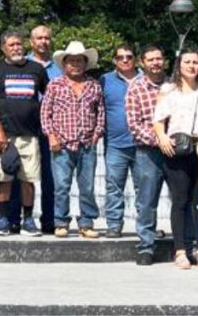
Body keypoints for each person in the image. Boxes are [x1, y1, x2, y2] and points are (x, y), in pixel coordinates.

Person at [152, 49, 198, 270]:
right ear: (179, 65)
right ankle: (180, 250)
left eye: (195, 62)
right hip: (177, 149)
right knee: (180, 201)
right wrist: (162, 137)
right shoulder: (170, 91)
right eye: (187, 62)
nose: (191, 66)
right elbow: (158, 120)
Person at [0, 30, 48, 237]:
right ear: (3, 48)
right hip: (3, 135)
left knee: (28, 179)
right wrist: (0, 133)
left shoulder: (36, 69)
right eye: (11, 45)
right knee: (3, 178)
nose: (16, 48)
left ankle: (28, 221)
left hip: (30, 135)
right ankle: (3, 221)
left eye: (19, 44)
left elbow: (47, 100)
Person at [41, 42, 104, 239]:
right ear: (64, 64)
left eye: (79, 61)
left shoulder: (94, 85)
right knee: (61, 186)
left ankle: (86, 222)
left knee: (87, 186)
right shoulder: (55, 85)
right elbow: (45, 113)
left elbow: (100, 112)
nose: (75, 64)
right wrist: (51, 135)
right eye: (71, 61)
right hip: (62, 143)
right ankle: (61, 222)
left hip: (86, 143)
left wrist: (96, 134)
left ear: (85, 63)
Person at [125, 45, 169, 265]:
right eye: (150, 59)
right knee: (147, 200)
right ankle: (146, 246)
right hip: (148, 151)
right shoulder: (136, 87)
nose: (155, 63)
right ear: (142, 62)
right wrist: (159, 140)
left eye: (159, 58)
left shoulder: (174, 85)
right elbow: (134, 124)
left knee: (181, 200)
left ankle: (184, 245)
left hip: (176, 151)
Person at [100, 44, 139, 239]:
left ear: (136, 59)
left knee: (145, 189)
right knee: (114, 187)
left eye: (129, 56)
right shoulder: (105, 80)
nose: (125, 60)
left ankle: (145, 226)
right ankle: (114, 225)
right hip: (115, 144)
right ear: (115, 60)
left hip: (143, 145)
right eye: (121, 57)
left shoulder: (146, 79)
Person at [24, 24, 59, 233]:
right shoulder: (21, 65)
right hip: (25, 128)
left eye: (46, 38)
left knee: (51, 177)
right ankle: (17, 220)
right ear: (31, 41)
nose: (43, 42)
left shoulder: (59, 68)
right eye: (39, 38)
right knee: (23, 177)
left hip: (51, 130)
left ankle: (50, 221)